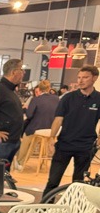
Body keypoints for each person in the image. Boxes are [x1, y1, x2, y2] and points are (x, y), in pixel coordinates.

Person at [42, 65, 100, 198]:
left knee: (78, 183)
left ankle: (73, 212)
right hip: (64, 144)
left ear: (94, 78)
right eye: (79, 77)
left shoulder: (98, 98)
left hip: (86, 146)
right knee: (53, 181)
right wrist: (52, 138)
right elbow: (58, 120)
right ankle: (43, 209)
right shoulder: (68, 98)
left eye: (85, 77)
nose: (80, 81)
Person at [16, 79, 58, 169]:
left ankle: (20, 162)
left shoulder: (36, 99)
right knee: (33, 142)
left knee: (26, 140)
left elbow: (29, 115)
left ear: (39, 88)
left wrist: (26, 109)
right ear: (49, 88)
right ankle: (24, 162)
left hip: (37, 128)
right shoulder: (56, 99)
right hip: (51, 129)